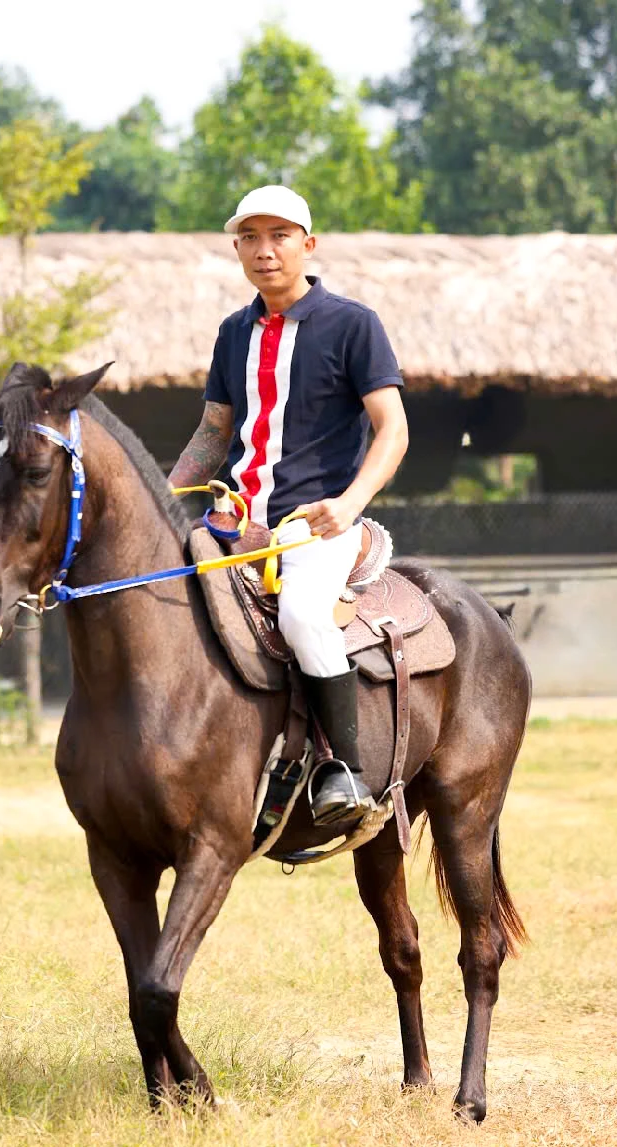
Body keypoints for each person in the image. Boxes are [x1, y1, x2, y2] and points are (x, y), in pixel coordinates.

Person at [168, 185, 409, 826]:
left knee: (303, 616)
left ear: (309, 243)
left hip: (313, 525)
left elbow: (393, 429)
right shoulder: (231, 331)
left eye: (279, 236)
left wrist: (349, 503)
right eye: (250, 237)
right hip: (234, 519)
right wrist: (168, 500)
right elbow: (214, 433)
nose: (264, 250)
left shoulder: (353, 324)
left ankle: (347, 773)